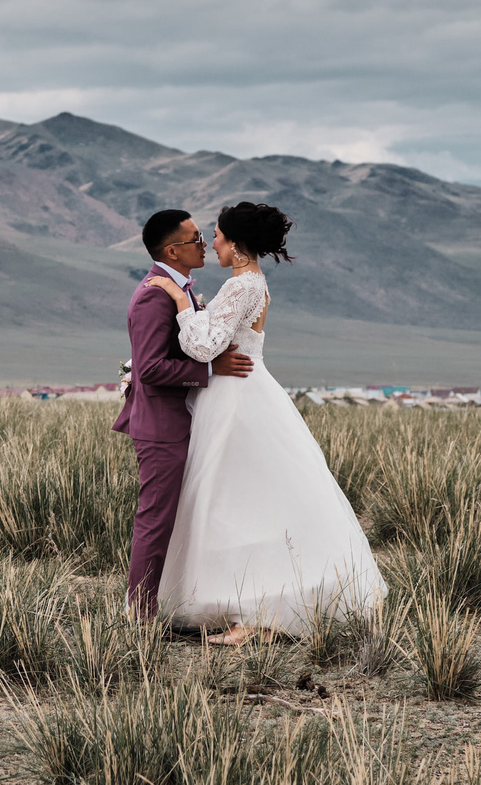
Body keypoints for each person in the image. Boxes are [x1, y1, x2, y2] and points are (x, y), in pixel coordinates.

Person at [143, 201, 385, 641]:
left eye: (217, 236)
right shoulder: (251, 281)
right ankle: (250, 606)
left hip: (236, 398)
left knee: (235, 500)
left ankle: (253, 614)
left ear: (236, 244)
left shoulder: (241, 286)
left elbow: (204, 348)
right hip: (242, 391)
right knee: (246, 499)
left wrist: (180, 302)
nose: (211, 244)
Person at [113, 208, 252, 616]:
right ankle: (140, 614)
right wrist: (210, 369)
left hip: (180, 421)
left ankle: (174, 600)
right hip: (161, 427)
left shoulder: (178, 289)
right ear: (172, 251)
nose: (204, 244)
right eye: (195, 239)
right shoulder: (153, 295)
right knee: (156, 519)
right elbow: (150, 369)